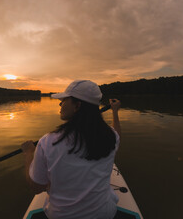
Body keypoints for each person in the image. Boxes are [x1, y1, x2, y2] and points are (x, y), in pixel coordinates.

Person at [21, 80, 121, 219]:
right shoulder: (110, 136)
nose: (60, 104)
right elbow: (117, 135)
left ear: (77, 106)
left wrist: (28, 154)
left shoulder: (48, 142)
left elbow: (37, 188)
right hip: (105, 214)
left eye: (64, 100)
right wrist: (115, 112)